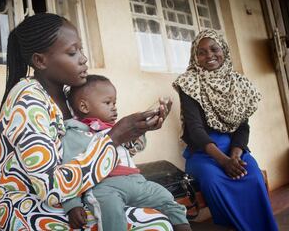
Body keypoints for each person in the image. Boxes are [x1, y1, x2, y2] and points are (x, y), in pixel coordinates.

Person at [0, 13, 173, 230]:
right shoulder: (27, 103)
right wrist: (114, 136)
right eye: (72, 52)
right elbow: (50, 189)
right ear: (40, 60)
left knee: (160, 211)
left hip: (82, 197)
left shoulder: (71, 97)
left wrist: (136, 131)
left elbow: (94, 151)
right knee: (155, 224)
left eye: (81, 49)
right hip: (34, 211)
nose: (83, 59)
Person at [172, 29, 279, 231]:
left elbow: (242, 126)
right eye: (201, 52)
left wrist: (235, 156)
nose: (209, 55)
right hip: (204, 153)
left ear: (225, 50)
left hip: (234, 150)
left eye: (214, 49)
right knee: (214, 182)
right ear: (195, 57)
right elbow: (194, 129)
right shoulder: (189, 83)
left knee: (253, 176)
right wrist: (223, 161)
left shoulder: (240, 85)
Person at [61, 74, 191, 231]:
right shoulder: (75, 133)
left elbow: (136, 146)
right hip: (105, 186)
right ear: (84, 107)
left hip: (136, 181)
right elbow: (68, 171)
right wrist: (72, 205)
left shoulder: (116, 129)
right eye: (107, 102)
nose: (114, 107)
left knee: (167, 199)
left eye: (114, 102)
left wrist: (145, 127)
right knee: (111, 211)